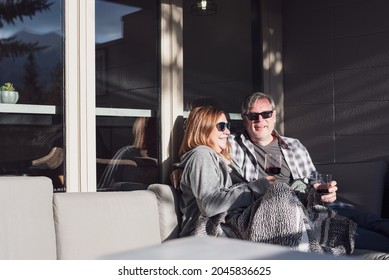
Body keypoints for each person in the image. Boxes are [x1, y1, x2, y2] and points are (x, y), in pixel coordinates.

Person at [176, 106, 356, 255]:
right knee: (280, 192)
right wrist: (257, 187)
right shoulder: (202, 153)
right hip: (210, 228)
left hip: (232, 222)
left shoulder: (221, 157)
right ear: (203, 127)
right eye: (221, 126)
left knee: (285, 196)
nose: (228, 131)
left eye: (228, 125)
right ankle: (299, 252)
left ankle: (300, 248)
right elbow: (209, 205)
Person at [229, 92, 389, 253]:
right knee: (372, 240)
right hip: (288, 209)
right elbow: (208, 137)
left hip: (313, 200)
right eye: (253, 115)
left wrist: (322, 188)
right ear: (244, 119)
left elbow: (314, 178)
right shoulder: (232, 146)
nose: (260, 120)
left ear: (274, 115)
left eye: (266, 114)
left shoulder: (293, 145)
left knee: (371, 220)